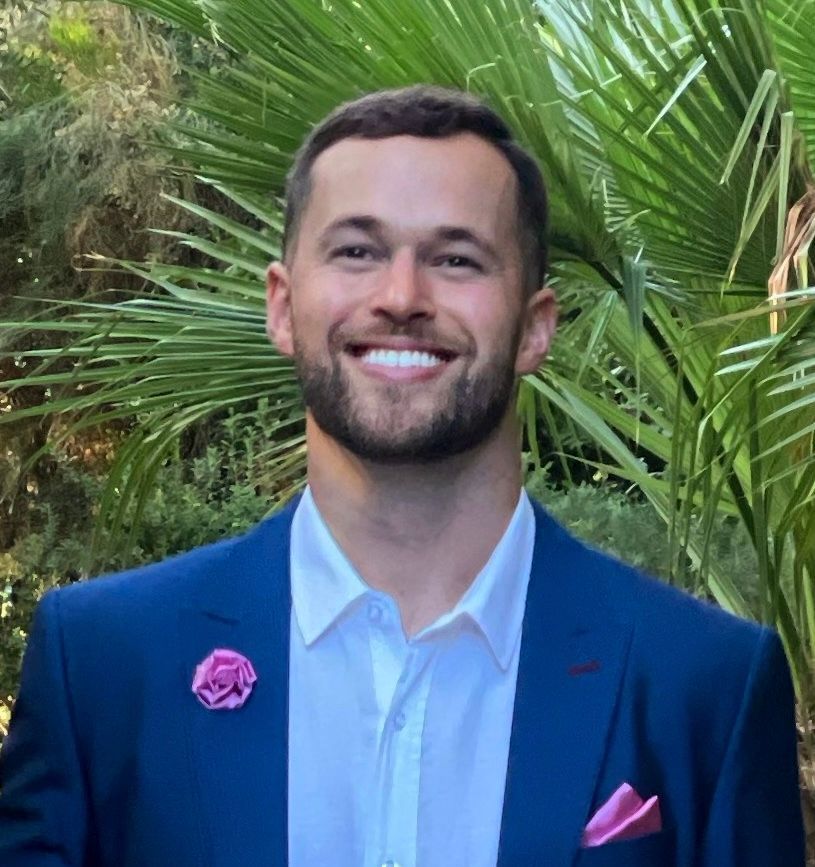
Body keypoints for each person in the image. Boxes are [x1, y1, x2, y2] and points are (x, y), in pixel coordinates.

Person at [0, 85, 804, 867]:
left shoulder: (703, 683)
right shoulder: (103, 666)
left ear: (534, 328)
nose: (401, 297)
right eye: (357, 251)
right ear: (282, 306)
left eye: (456, 259)